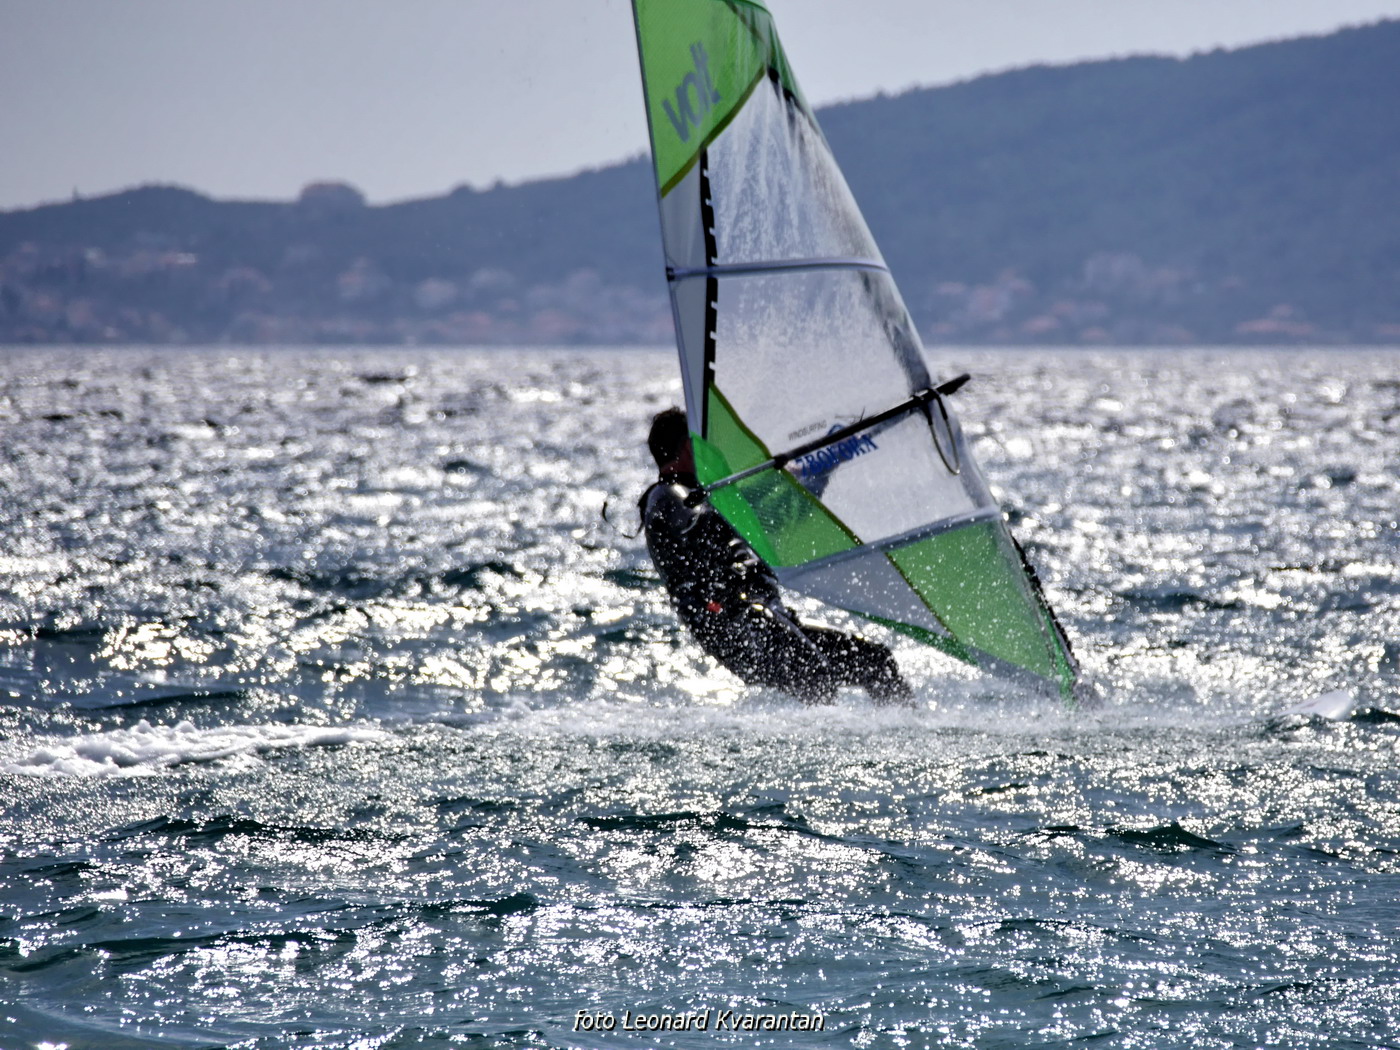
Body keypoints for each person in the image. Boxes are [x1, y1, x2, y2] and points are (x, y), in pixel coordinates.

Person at [640, 407, 912, 705]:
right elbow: (708, 519)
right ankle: (827, 735)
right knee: (816, 677)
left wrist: (813, 473)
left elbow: (774, 519)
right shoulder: (666, 497)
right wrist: (758, 487)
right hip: (734, 624)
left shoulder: (710, 497)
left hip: (764, 618)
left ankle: (907, 727)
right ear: (689, 446)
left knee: (876, 662)